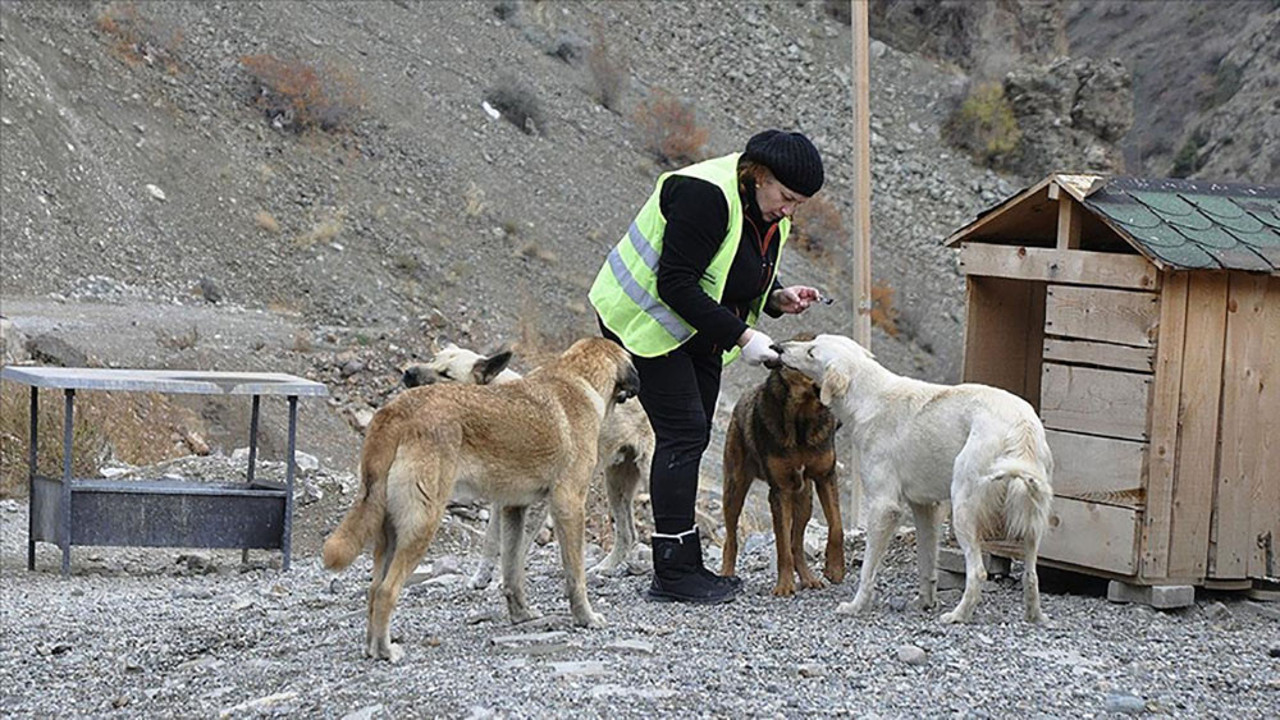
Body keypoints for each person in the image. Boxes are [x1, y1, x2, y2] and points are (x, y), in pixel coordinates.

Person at [588, 130, 824, 604]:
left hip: (698, 330)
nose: (789, 210)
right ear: (760, 175)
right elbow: (675, 284)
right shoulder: (705, 195)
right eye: (786, 197)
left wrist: (775, 296)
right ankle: (673, 573)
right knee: (683, 433)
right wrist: (744, 336)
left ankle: (686, 562)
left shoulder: (764, 209)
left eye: (799, 204)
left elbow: (734, 262)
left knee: (692, 436)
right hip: (645, 320)